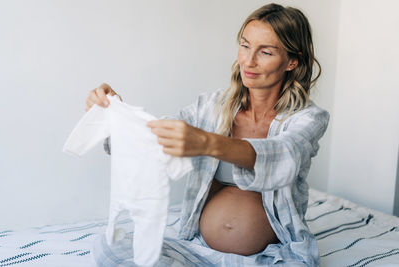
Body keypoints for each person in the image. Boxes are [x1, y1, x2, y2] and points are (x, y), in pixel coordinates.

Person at [86, 3, 329, 266]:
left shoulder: (307, 118)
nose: (248, 60)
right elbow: (154, 136)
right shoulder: (211, 107)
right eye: (245, 45)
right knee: (109, 247)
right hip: (198, 251)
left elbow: (285, 157)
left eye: (266, 52)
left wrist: (207, 143)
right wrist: (117, 115)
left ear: (292, 61)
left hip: (270, 257)